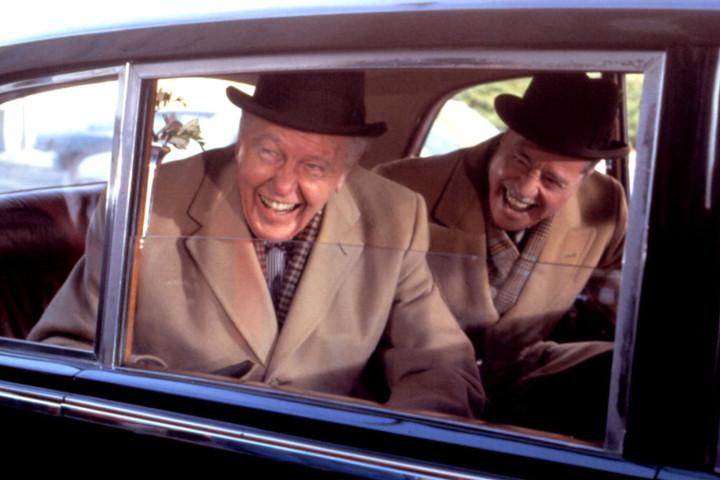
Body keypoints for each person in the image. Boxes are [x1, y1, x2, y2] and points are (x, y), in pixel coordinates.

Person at [29, 72, 484, 418]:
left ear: (344, 175)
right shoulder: (148, 202)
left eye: (314, 166)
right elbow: (62, 349)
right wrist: (168, 404)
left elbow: (443, 366)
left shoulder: (394, 216)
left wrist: (378, 448)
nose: (283, 185)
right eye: (269, 152)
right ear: (240, 143)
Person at [376, 73, 629, 437]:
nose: (524, 188)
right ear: (502, 139)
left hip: (522, 383)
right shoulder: (402, 188)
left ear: (583, 180)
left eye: (552, 181)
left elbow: (627, 300)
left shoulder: (605, 205)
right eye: (520, 160)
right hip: (409, 391)